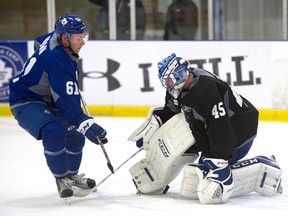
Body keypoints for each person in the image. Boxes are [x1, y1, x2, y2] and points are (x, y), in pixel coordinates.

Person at [128, 53, 282, 204]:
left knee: (207, 182)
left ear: (180, 74)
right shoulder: (179, 87)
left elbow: (221, 126)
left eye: (169, 80)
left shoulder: (206, 90)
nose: (167, 85)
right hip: (214, 133)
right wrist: (157, 125)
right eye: (165, 82)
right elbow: (171, 111)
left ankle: (263, 166)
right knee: (194, 180)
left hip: (238, 133)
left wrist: (218, 161)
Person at [9, 14, 108, 200]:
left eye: (83, 37)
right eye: (78, 39)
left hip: (47, 96)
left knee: (75, 134)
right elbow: (69, 108)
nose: (83, 43)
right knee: (54, 130)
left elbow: (38, 43)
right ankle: (62, 179)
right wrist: (86, 124)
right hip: (25, 99)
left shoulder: (52, 37)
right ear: (65, 38)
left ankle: (72, 175)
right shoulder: (57, 60)